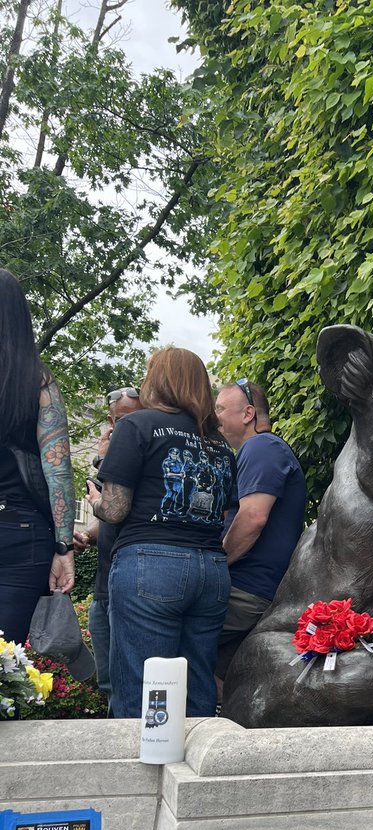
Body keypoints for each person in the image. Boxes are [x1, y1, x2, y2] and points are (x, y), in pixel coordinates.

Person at [89, 348, 237, 717]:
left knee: (143, 688)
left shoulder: (136, 426)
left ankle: (142, 771)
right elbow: (219, 511)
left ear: (157, 380)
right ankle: (194, 768)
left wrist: (95, 500)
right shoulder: (221, 446)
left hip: (150, 563)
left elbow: (115, 509)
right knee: (197, 684)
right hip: (211, 571)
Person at [214, 379, 307, 682]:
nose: (214, 418)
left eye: (220, 409)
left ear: (248, 413)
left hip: (246, 590)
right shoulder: (261, 450)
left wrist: (214, 563)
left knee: (167, 624)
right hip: (252, 589)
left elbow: (253, 518)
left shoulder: (261, 446)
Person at [0, 269, 75, 642]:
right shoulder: (38, 381)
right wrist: (63, 547)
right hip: (20, 531)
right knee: (5, 661)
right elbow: (58, 471)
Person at [74, 387, 143, 705]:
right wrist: (86, 535)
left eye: (134, 416)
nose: (128, 425)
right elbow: (107, 515)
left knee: (128, 684)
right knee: (108, 684)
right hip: (104, 589)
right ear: (110, 419)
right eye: (122, 418)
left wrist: (104, 459)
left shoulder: (144, 450)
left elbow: (118, 508)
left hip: (129, 589)